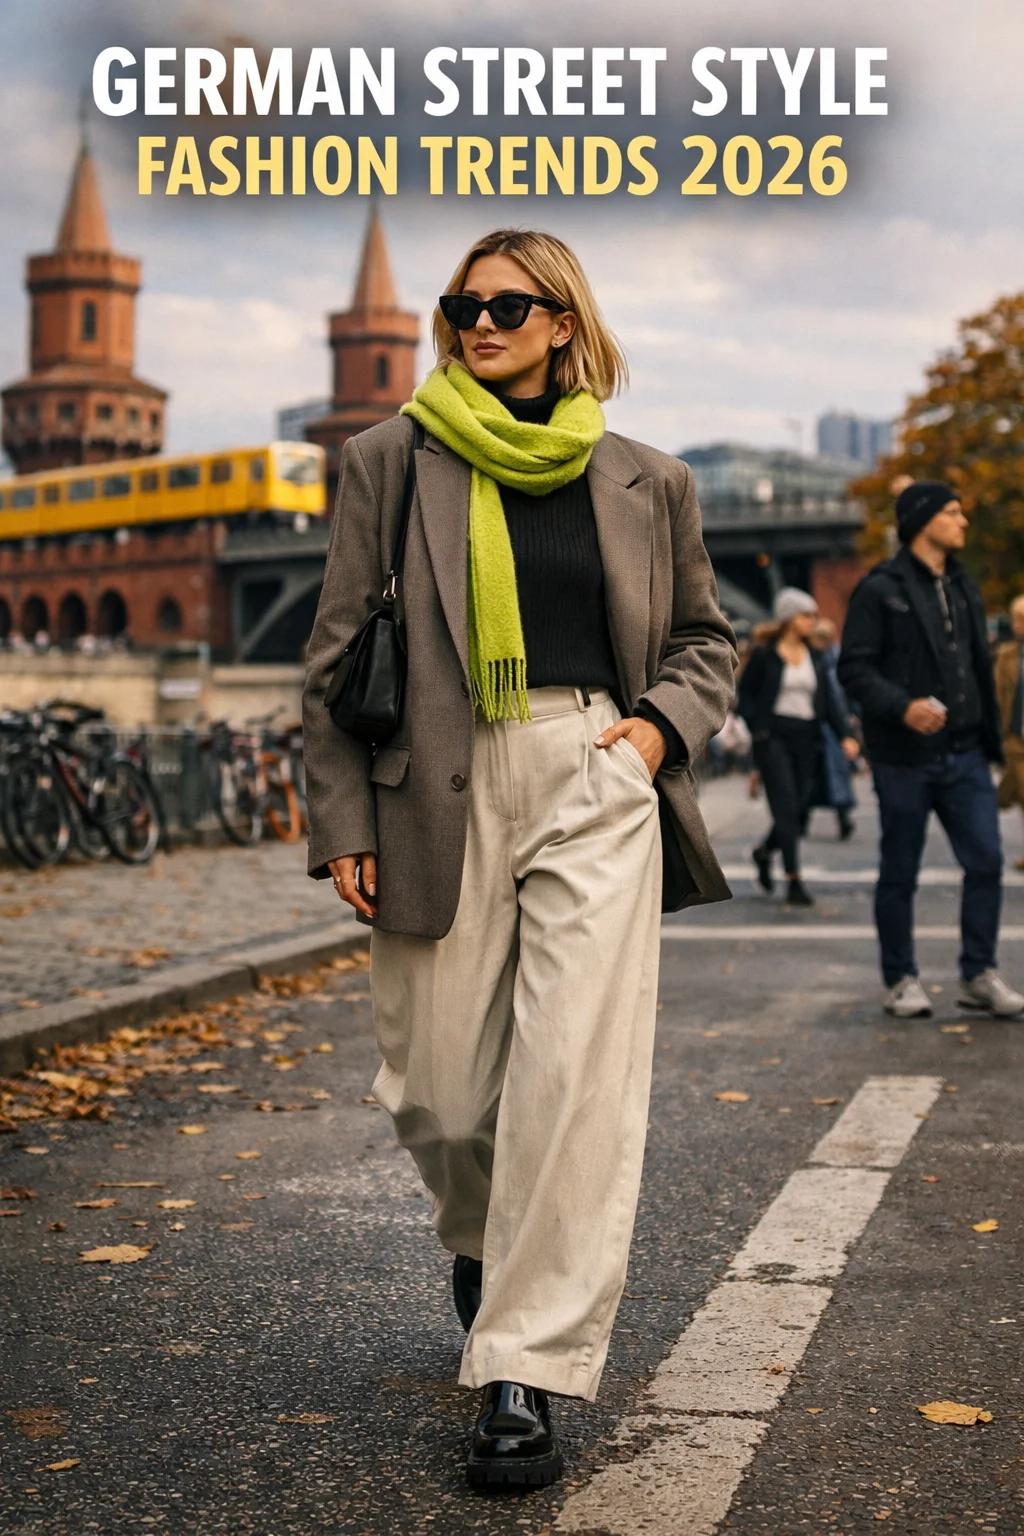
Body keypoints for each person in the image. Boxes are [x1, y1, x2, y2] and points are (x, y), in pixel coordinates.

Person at [302, 228, 736, 1489]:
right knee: (437, 1090)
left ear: (562, 323)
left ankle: (524, 1372)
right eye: (460, 306)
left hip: (592, 766)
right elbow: (333, 661)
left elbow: (706, 640)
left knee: (571, 1078)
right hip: (434, 779)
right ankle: (492, 1246)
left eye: (506, 306)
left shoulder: (647, 479)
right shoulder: (391, 458)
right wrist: (341, 822)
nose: (477, 325)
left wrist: (651, 736)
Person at [838, 480, 1024, 1019]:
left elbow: (978, 669)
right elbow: (854, 668)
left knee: (987, 860)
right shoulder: (880, 588)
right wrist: (902, 706)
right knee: (900, 871)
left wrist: (993, 738)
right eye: (952, 511)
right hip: (904, 757)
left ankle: (978, 973)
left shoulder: (964, 585)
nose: (963, 521)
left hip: (965, 752)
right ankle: (900, 979)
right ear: (923, 521)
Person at [737, 587, 859, 906]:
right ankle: (793, 879)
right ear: (790, 619)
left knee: (799, 807)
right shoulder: (766, 655)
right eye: (807, 615)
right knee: (786, 805)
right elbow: (744, 695)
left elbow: (830, 701)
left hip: (808, 737)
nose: (813, 622)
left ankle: (764, 852)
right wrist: (758, 728)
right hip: (774, 736)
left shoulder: (815, 657)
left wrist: (846, 734)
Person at [806, 616, 858, 840]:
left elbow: (837, 695)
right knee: (822, 773)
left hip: (830, 725)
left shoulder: (827, 661)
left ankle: (835, 816)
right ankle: (836, 816)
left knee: (826, 773)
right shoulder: (825, 660)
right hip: (824, 724)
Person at [994, 593, 1024, 870]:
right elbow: (998, 696)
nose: (1019, 625)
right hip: (1016, 736)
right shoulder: (1007, 656)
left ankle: (998, 800)